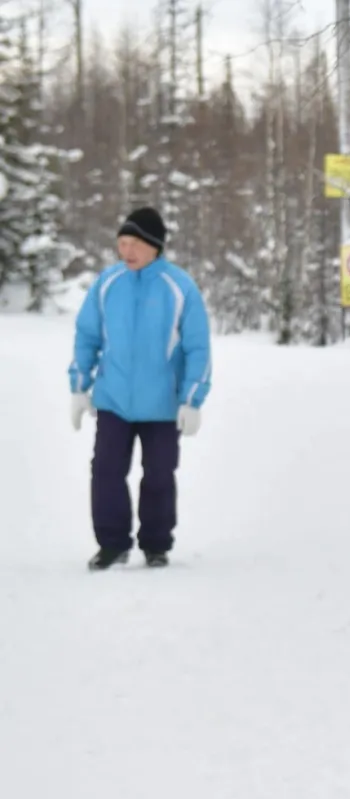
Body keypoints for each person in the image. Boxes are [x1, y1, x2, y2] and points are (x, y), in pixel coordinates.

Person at [69, 207, 212, 570]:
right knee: (105, 471)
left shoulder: (179, 287)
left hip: (163, 404)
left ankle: (156, 544)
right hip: (113, 399)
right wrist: (79, 386)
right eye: (122, 243)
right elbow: (87, 336)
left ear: (155, 247)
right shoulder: (107, 283)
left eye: (134, 244)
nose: (127, 251)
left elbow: (198, 347)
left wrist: (192, 400)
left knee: (160, 475)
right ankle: (112, 544)